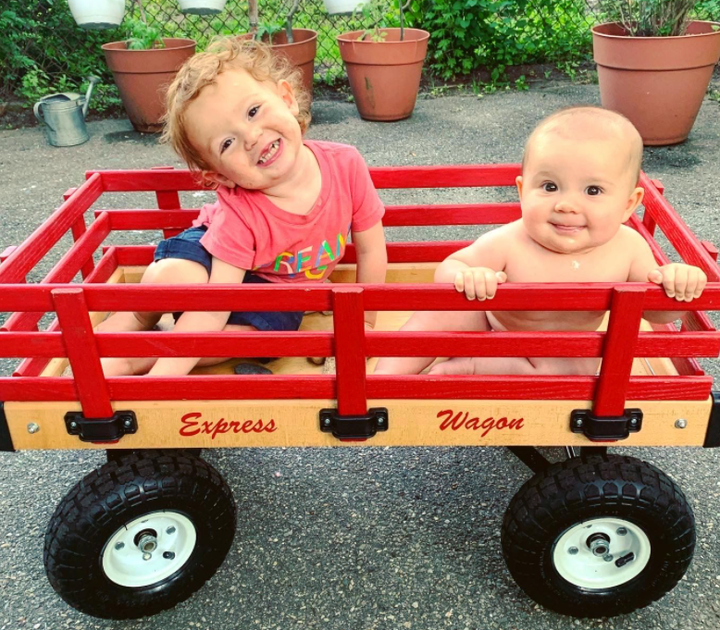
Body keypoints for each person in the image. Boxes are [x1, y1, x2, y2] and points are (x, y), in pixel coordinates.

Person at [97, 37, 387, 376]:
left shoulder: (345, 165)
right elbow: (215, 306)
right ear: (219, 176)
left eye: (252, 111)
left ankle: (142, 357)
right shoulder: (241, 210)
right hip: (213, 255)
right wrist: (167, 381)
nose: (251, 137)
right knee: (174, 277)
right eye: (227, 142)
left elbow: (370, 250)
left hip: (277, 288)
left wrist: (363, 323)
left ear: (286, 98)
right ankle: (135, 317)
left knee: (259, 339)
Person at [374, 105, 707, 376]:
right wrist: (468, 276)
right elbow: (449, 268)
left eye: (593, 191)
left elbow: (655, 314)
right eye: (550, 187)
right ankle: (381, 381)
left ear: (628, 205)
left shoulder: (628, 248)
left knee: (581, 367)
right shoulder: (512, 240)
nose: (565, 204)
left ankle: (475, 368)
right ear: (522, 192)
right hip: (494, 330)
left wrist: (677, 285)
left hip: (562, 352)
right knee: (438, 316)